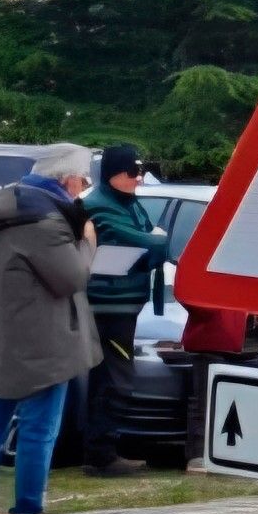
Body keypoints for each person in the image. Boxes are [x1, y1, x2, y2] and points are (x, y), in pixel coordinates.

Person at [0, 144, 98, 514]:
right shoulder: (45, 220)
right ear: (67, 178)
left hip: (4, 333)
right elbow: (71, 278)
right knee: (39, 427)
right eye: (83, 182)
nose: (83, 190)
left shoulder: (6, 211)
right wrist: (87, 240)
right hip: (43, 339)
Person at [71, 144, 172, 479]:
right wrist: (153, 242)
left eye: (139, 171)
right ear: (114, 172)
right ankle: (100, 453)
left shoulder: (128, 202)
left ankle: (102, 450)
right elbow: (153, 242)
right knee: (114, 378)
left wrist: (152, 243)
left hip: (125, 303)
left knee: (110, 377)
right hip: (108, 307)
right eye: (132, 172)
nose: (138, 178)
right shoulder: (97, 205)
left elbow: (153, 245)